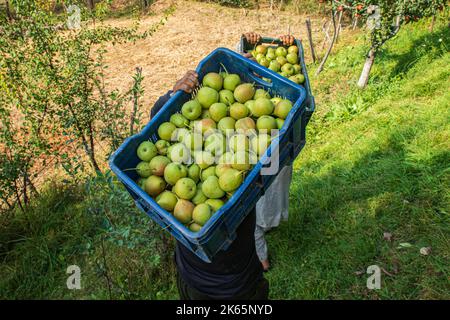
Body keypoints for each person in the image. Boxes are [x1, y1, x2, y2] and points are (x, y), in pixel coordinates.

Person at [150, 71, 269, 300]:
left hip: (229, 283)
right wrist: (172, 96)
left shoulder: (245, 171)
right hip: (216, 279)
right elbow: (159, 122)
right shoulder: (243, 171)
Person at [241, 32, 295, 272]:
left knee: (269, 192)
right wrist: (245, 43)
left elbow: (294, 87)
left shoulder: (277, 86)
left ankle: (264, 233)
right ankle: (261, 255)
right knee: (252, 202)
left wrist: (288, 43)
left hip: (275, 138)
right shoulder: (244, 68)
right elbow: (236, 67)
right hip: (250, 142)